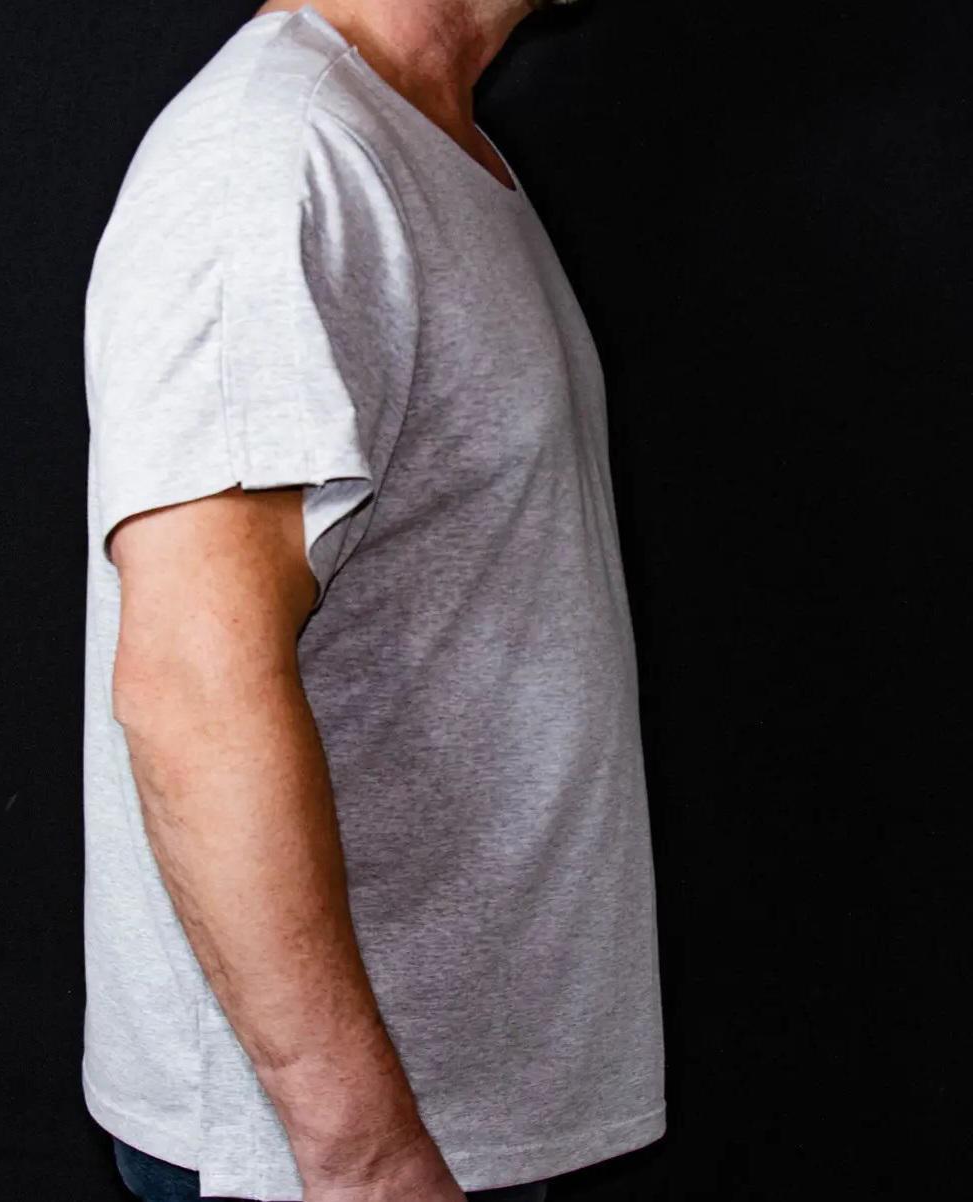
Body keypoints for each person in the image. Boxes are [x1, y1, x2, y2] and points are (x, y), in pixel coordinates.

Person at [80, 2, 665, 1199]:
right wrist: (366, 1156)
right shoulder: (283, 155)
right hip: (339, 1153)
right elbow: (189, 687)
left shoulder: (424, 141)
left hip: (467, 1106)